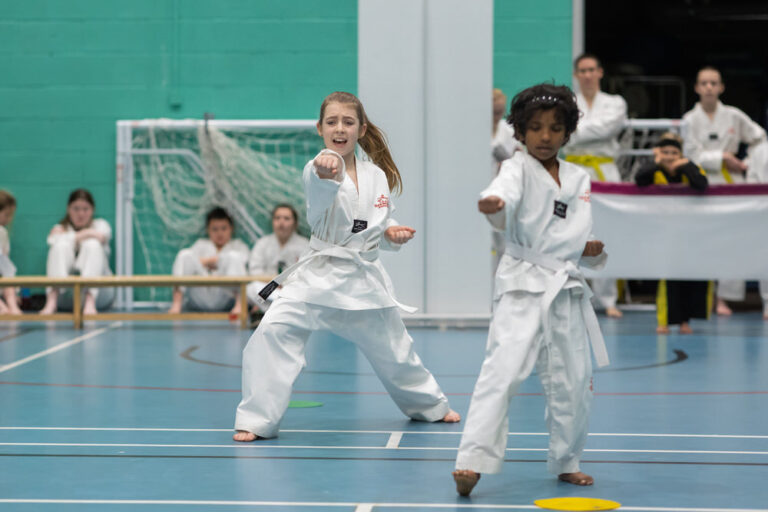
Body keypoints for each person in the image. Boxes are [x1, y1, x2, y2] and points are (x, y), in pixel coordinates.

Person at [233, 91, 460, 442]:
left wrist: (392, 234)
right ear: (320, 129)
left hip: (363, 279)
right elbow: (324, 183)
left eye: (348, 122)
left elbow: (378, 226)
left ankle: (429, 406)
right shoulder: (318, 168)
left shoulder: (376, 176)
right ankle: (257, 419)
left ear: (361, 128)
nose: (340, 128)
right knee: (273, 331)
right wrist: (328, 170)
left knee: (397, 351)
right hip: (318, 276)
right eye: (332, 122)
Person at [453, 83, 609, 496]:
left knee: (574, 380)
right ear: (519, 132)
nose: (545, 136)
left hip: (565, 287)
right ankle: (471, 460)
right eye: (535, 128)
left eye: (555, 128)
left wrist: (590, 250)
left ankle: (566, 459)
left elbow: (579, 235)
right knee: (501, 372)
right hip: (523, 282)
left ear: (567, 132)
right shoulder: (515, 168)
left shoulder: (579, 178)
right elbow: (502, 194)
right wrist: (492, 205)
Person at [683, 66, 768, 316]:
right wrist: (722, 157)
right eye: (704, 83)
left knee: (737, 241)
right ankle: (707, 299)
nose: (709, 87)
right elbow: (691, 154)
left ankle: (728, 297)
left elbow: (759, 138)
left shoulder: (733, 115)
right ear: (697, 88)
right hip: (701, 185)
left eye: (714, 83)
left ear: (721, 87)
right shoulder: (689, 120)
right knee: (704, 243)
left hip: (733, 185)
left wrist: (750, 164)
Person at [563, 53, 628, 318]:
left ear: (600, 72)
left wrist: (575, 132)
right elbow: (564, 135)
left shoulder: (615, 103)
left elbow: (608, 130)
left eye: (592, 69)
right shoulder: (568, 103)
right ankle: (575, 294)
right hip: (575, 170)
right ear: (576, 75)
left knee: (607, 233)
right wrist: (572, 133)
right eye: (582, 70)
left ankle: (609, 299)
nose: (588, 75)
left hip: (605, 171)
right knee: (572, 232)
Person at [634, 132, 712, 333]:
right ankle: (663, 321)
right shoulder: (652, 170)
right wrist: (657, 163)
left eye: (674, 152)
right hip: (661, 233)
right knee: (665, 279)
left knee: (686, 279)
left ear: (681, 154)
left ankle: (685, 321)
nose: (669, 156)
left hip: (689, 234)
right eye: (665, 152)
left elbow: (702, 184)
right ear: (658, 153)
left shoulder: (690, 168)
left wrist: (684, 165)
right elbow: (639, 179)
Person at [40, 189, 114, 315]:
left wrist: (71, 236)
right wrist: (86, 234)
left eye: (85, 209)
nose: (80, 214)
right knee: (60, 246)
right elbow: (53, 240)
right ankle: (51, 301)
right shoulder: (58, 228)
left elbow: (101, 237)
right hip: (67, 297)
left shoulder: (101, 225)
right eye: (76, 209)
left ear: (92, 210)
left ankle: (90, 302)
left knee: (92, 244)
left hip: (100, 296)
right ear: (69, 209)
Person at [169, 207, 249, 315]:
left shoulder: (238, 246)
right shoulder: (200, 244)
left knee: (234, 257)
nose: (220, 233)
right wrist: (213, 262)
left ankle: (239, 305)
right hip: (200, 294)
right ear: (208, 230)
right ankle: (177, 304)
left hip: (226, 296)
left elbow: (241, 263)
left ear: (231, 229)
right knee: (184, 255)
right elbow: (190, 263)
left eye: (224, 228)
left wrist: (213, 261)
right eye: (215, 229)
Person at [246, 203, 309, 311]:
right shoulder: (262, 243)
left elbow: (307, 273)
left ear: (295, 223)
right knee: (251, 289)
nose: (281, 222)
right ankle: (281, 311)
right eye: (277, 218)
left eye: (286, 218)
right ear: (272, 222)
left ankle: (271, 312)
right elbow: (254, 271)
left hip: (292, 289)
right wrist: (274, 283)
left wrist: (285, 284)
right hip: (270, 288)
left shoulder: (304, 245)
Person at [0, 190, 22, 315]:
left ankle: (12, 305)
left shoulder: (2, 232)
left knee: (7, 269)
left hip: (3, 278)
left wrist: (13, 292)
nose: (9, 219)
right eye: (6, 215)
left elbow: (5, 263)